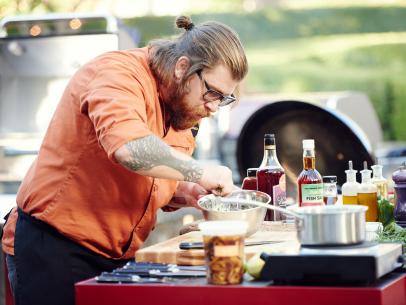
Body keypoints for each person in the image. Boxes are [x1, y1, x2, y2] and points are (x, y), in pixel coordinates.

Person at [1, 15, 248, 305]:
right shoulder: (117, 73)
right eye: (213, 92)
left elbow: (153, 173)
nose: (214, 107)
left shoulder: (184, 106)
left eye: (225, 99)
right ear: (183, 67)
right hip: (54, 247)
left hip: (117, 257)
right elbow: (130, 148)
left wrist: (187, 191)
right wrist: (199, 172)